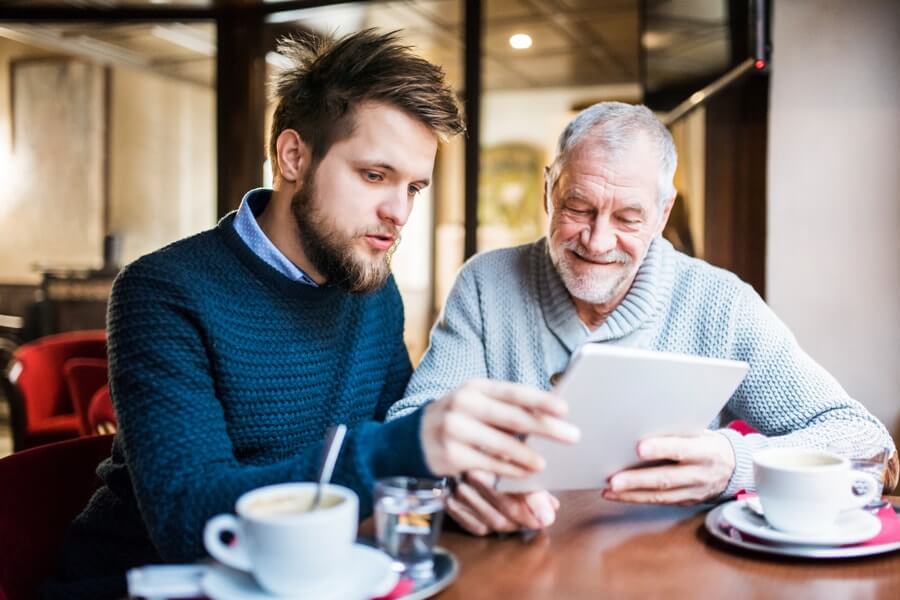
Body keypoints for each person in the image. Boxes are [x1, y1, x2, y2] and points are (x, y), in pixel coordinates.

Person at [43, 30, 578, 599]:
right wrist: (412, 446)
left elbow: (391, 459)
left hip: (310, 578)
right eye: (375, 175)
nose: (398, 212)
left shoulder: (372, 288)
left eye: (414, 187)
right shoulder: (162, 290)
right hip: (154, 585)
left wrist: (466, 483)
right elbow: (190, 520)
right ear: (293, 156)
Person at [388, 101, 897, 536]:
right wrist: (455, 478)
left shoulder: (720, 303)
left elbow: (865, 440)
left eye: (628, 218)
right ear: (549, 190)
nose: (598, 241)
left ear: (662, 212)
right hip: (516, 560)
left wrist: (733, 463)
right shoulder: (485, 284)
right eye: (578, 207)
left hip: (670, 570)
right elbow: (411, 423)